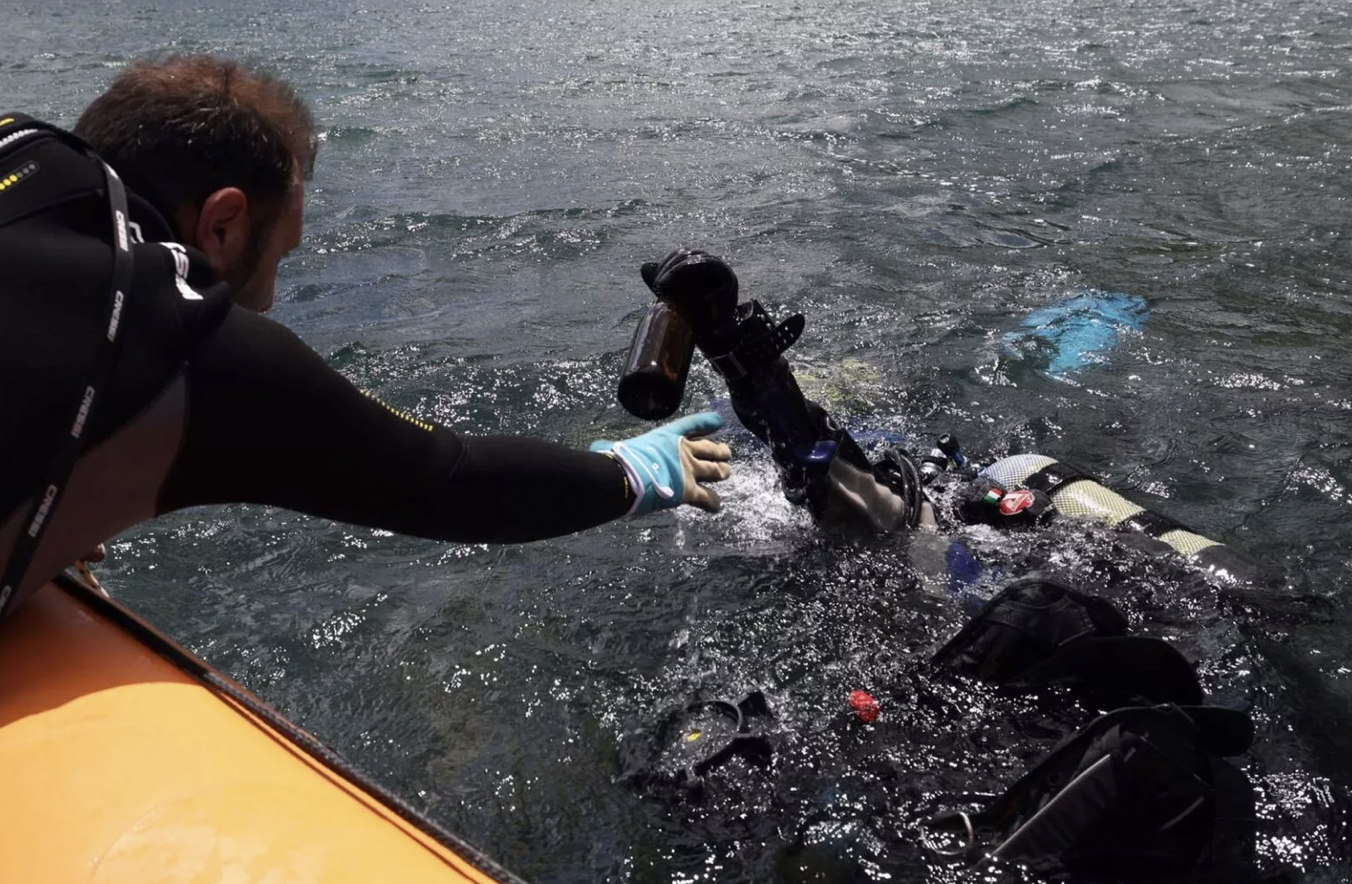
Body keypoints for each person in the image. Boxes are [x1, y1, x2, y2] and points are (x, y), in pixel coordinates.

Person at [0, 55, 732, 619]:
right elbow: (452, 481)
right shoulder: (190, 338)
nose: (272, 295)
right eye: (278, 256)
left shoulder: (17, 141)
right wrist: (635, 474)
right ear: (221, 223)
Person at [632, 248, 1264, 880]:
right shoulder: (1009, 489)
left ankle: (753, 367)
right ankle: (753, 367)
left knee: (878, 521)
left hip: (970, 588)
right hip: (1007, 601)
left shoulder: (984, 487)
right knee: (883, 523)